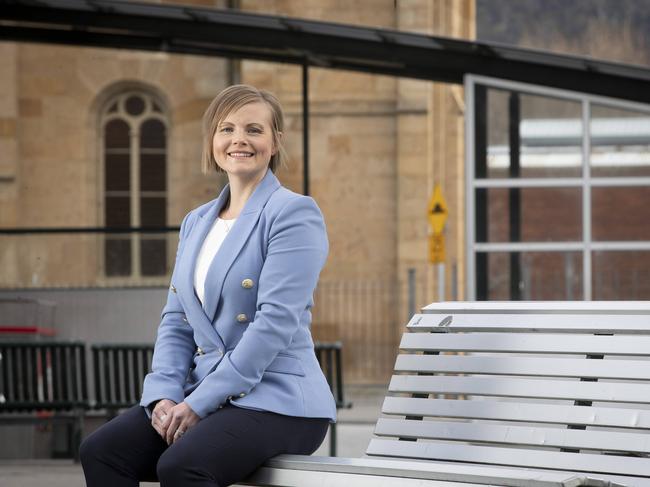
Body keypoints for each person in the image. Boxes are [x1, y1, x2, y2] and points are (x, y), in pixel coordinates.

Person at [80, 84, 336, 486]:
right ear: (213, 142)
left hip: (280, 400)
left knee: (182, 466)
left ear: (275, 143)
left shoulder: (293, 213)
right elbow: (177, 320)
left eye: (254, 129)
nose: (239, 139)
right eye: (226, 129)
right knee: (102, 451)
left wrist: (199, 402)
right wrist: (163, 394)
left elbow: (273, 324)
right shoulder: (196, 222)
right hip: (207, 395)